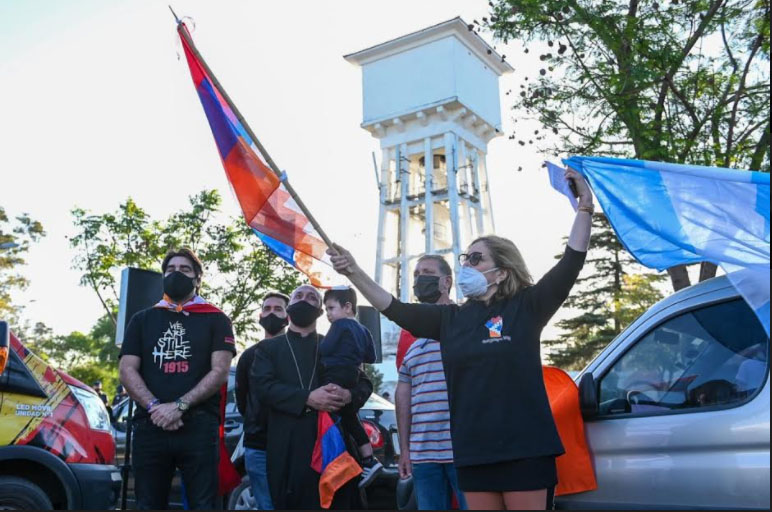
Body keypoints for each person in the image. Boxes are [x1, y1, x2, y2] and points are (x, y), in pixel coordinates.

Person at [329, 168, 593, 510]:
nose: (466, 264)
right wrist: (353, 271)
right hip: (471, 454)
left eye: (476, 258)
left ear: (502, 271)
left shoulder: (527, 307)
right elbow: (392, 307)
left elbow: (572, 261)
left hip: (525, 452)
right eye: (464, 258)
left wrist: (584, 209)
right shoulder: (450, 319)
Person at [118, 248, 236, 510]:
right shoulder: (142, 319)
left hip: (198, 426)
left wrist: (179, 406)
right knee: (148, 504)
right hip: (150, 425)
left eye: (185, 270)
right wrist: (154, 407)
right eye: (170, 270)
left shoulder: (217, 319)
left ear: (197, 279)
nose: (176, 274)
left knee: (204, 505)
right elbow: (127, 369)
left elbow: (219, 371)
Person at [251, 284, 373, 509]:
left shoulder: (335, 340)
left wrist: (348, 395)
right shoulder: (269, 348)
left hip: (335, 445)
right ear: (289, 308)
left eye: (311, 298)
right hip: (288, 444)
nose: (304, 300)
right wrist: (306, 398)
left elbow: (364, 383)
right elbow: (262, 387)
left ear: (320, 311)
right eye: (298, 295)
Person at [396, 254, 467, 510]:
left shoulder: (466, 322)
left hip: (464, 452)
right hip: (423, 456)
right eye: (416, 274)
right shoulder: (410, 337)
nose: (419, 279)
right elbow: (403, 395)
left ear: (446, 281)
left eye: (426, 272)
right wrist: (405, 450)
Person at [321, 287, 383, 487]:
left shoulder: (339, 326)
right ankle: (368, 459)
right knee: (350, 417)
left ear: (347, 307)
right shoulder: (364, 330)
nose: (328, 314)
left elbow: (325, 348)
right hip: (353, 375)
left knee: (331, 411)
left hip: (335, 373)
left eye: (331, 308)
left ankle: (344, 460)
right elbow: (371, 357)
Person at [235, 291, 290, 511]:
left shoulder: (300, 353)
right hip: (258, 446)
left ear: (288, 316)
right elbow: (243, 401)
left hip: (293, 445)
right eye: (267, 309)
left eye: (278, 309)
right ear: (259, 315)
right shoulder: (248, 357)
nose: (271, 313)